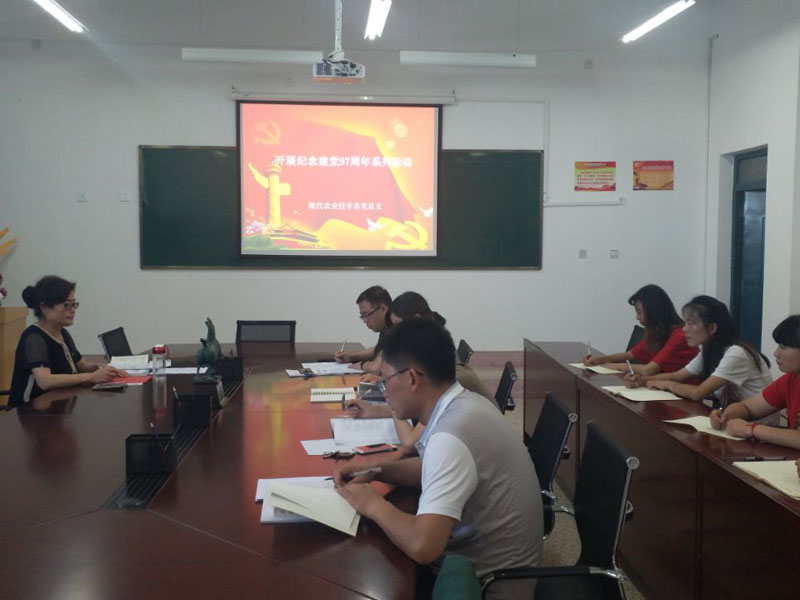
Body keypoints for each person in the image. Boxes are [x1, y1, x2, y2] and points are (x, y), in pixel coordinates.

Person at [334, 319, 542, 599]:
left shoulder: (451, 436)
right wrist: (377, 469)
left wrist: (371, 503)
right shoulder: (466, 404)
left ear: (412, 379)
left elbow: (423, 546)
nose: (383, 391)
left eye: (385, 380)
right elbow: (430, 468)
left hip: (486, 584)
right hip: (489, 564)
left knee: (364, 567)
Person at [344, 291, 496, 453]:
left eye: (400, 327)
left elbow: (411, 443)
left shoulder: (445, 376)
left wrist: (391, 398)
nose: (397, 334)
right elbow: (418, 410)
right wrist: (373, 410)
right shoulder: (431, 353)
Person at [625, 296, 772, 407]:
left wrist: (668, 385)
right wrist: (641, 380)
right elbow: (676, 376)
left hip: (756, 426)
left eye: (691, 323)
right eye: (685, 322)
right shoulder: (709, 350)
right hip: (731, 420)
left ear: (712, 328)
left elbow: (698, 393)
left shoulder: (736, 353)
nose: (684, 329)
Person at [8, 275, 127, 409]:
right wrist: (91, 377)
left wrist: (102, 368)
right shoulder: (34, 337)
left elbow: (80, 365)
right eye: (67, 305)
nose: (72, 310)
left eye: (74, 304)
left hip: (57, 405)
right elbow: (45, 381)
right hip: (29, 412)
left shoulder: (62, 332)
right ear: (44, 307)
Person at [711, 315, 800, 448]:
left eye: (783, 347)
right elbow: (748, 408)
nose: (776, 353)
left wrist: (752, 429)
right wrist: (726, 415)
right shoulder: (791, 379)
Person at [583, 284, 697, 375]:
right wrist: (599, 360)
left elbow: (649, 370)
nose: (637, 317)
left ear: (653, 311)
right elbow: (628, 355)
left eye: (639, 312)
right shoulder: (656, 332)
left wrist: (608, 366)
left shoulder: (679, 335)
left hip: (681, 392)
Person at [334, 285, 391, 373]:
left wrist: (361, 364)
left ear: (383, 309)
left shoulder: (397, 328)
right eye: (362, 316)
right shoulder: (385, 326)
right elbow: (378, 350)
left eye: (366, 315)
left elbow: (376, 368)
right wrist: (351, 356)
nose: (365, 321)